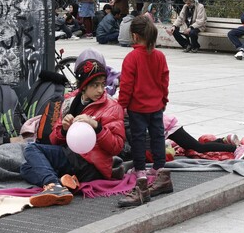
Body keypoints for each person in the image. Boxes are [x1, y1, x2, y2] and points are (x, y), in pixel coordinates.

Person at [20, 57, 126, 207]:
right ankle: (66, 182)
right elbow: (53, 140)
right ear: (83, 86)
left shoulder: (112, 107)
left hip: (91, 165)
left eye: (102, 84)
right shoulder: (69, 100)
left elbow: (116, 147)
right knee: (25, 168)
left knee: (32, 149)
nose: (100, 90)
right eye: (95, 85)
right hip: (72, 157)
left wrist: (97, 126)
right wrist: (63, 129)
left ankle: (53, 185)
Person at [117, 15, 171, 207]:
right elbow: (164, 81)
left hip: (137, 108)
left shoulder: (132, 58)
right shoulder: (159, 56)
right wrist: (163, 99)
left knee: (138, 138)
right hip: (156, 105)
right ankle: (159, 168)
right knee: (158, 136)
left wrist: (122, 105)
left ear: (134, 35)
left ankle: (140, 171)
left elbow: (126, 86)